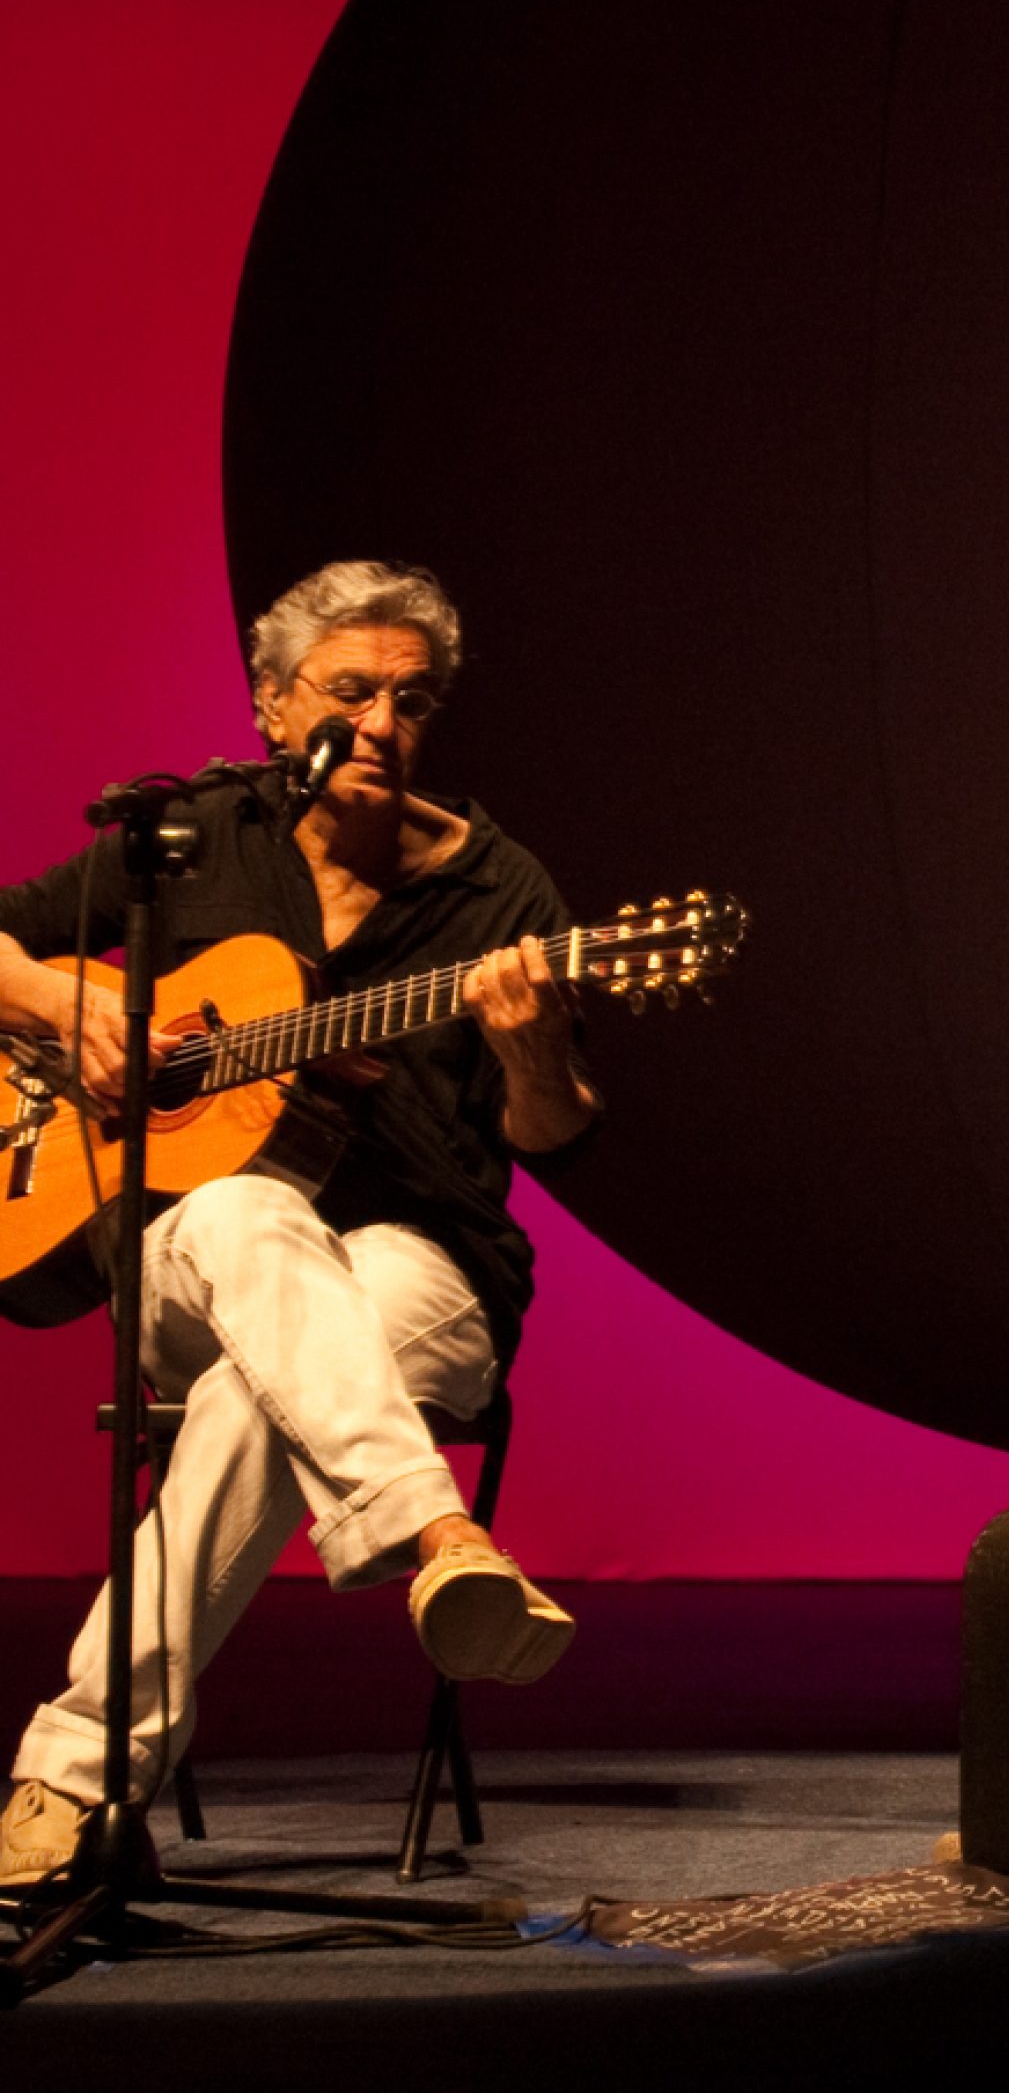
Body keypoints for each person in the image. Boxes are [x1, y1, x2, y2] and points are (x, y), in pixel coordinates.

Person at [0, 560, 599, 1890]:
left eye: (413, 699)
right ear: (276, 708)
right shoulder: (196, 837)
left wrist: (537, 1047)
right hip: (184, 1264)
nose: (384, 723)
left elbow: (549, 1131)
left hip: (422, 1267)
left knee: (255, 1399)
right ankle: (438, 1535)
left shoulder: (504, 897)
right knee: (246, 1209)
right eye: (352, 693)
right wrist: (69, 1011)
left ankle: (67, 1781)